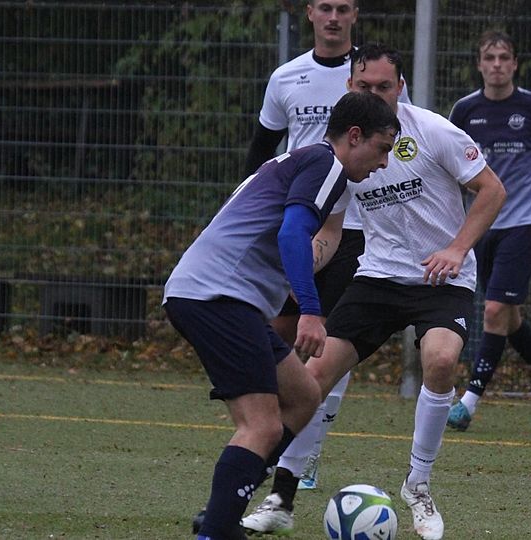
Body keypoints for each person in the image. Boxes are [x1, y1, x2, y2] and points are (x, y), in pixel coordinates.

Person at [241, 43, 505, 540]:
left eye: (384, 86)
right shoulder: (342, 150)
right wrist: (298, 271)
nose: (375, 95)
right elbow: (332, 230)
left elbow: (492, 190)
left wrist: (456, 248)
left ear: (400, 87)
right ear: (349, 88)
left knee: (441, 361)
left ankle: (418, 487)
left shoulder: (432, 131)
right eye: (365, 87)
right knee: (311, 376)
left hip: (440, 278)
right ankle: (281, 497)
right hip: (379, 274)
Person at [163, 91, 400, 540]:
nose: (384, 163)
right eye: (383, 148)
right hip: (217, 297)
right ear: (355, 136)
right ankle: (217, 528)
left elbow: (292, 235)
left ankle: (222, 509)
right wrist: (310, 311)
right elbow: (293, 232)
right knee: (262, 424)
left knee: (304, 395)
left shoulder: (303, 162)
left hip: (214, 296)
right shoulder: (327, 165)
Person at [244, 0, 411, 495]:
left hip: (356, 227)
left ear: (354, 14)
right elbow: (261, 148)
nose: (334, 17)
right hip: (304, 220)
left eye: (343, 8)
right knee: (279, 327)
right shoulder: (287, 78)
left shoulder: (379, 73)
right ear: (310, 13)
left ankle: (303, 449)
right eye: (325, 7)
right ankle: (272, 425)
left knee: (331, 338)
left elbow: (399, 148)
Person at [445, 30, 531, 431]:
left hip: (523, 222)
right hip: (480, 225)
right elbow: (447, 163)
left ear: (515, 63)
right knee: (508, 315)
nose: (497, 65)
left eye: (504, 57)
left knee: (491, 310)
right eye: (490, 58)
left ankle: (468, 402)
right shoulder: (465, 110)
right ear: (479, 64)